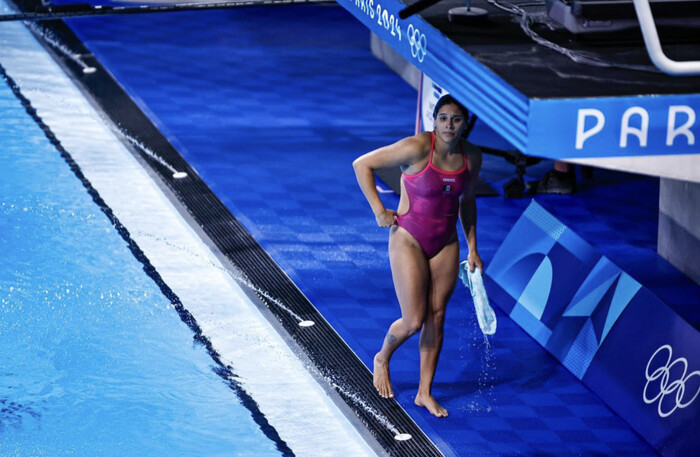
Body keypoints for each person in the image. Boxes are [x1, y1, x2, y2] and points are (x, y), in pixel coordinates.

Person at [352, 94, 483, 418]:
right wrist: (379, 211)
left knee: (437, 317)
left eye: (456, 119)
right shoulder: (416, 148)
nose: (449, 125)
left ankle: (424, 392)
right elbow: (362, 164)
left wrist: (473, 248)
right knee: (412, 320)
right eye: (443, 119)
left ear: (465, 124)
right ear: (434, 122)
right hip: (409, 237)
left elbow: (466, 203)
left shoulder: (472, 157)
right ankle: (383, 357)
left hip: (446, 242)